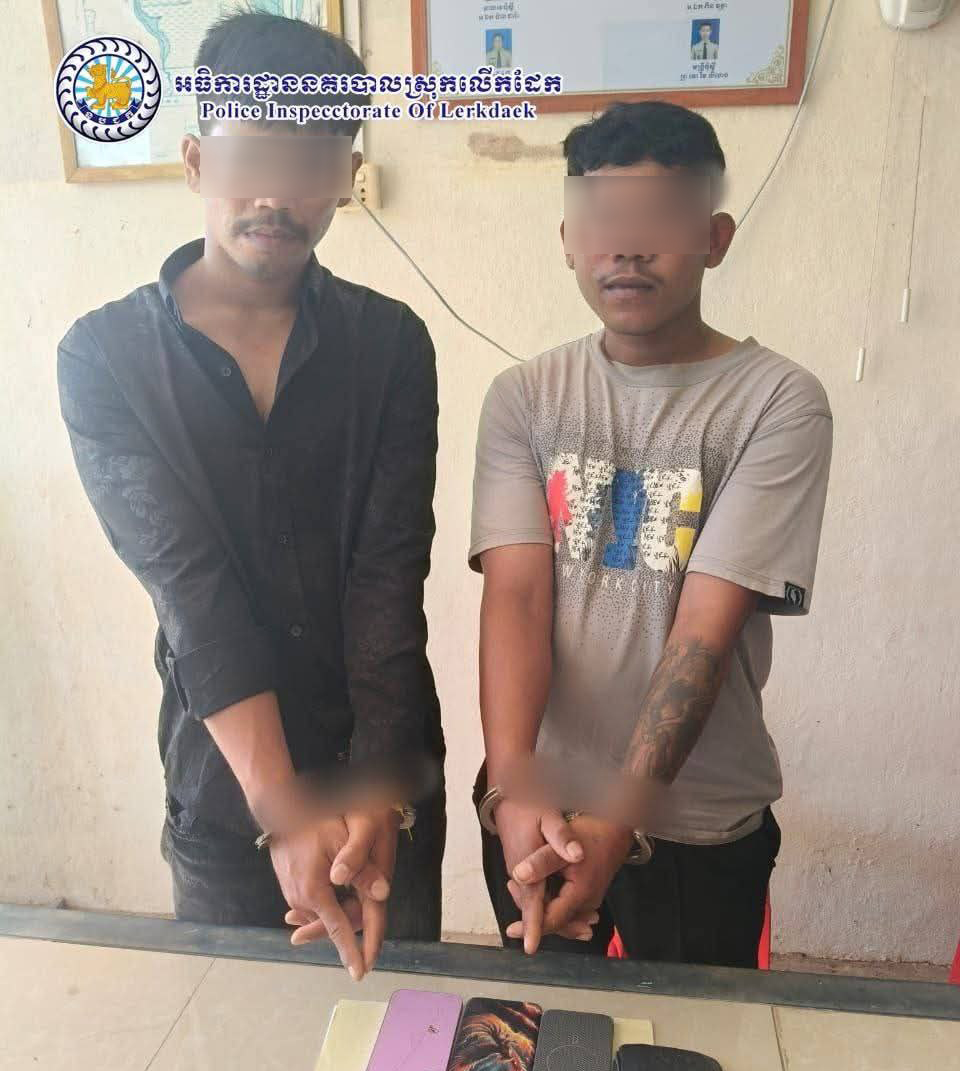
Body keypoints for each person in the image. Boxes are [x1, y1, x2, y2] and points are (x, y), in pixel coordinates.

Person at [57, 12, 445, 981]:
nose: (275, 193)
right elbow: (192, 593)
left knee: (400, 1035)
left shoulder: (391, 346)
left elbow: (387, 578)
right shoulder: (104, 358)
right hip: (229, 797)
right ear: (196, 160)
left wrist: (373, 791)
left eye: (309, 161)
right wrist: (284, 807)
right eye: (251, 154)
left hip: (384, 787)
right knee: (236, 1042)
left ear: (345, 177)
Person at [470, 101, 832, 967]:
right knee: (542, 1025)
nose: (627, 248)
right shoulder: (524, 398)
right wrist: (513, 783)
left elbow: (705, 628)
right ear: (569, 239)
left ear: (715, 237)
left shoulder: (778, 402)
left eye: (661, 219)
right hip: (536, 805)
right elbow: (516, 599)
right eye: (603, 220)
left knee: (694, 1041)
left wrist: (619, 816)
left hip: (697, 822)